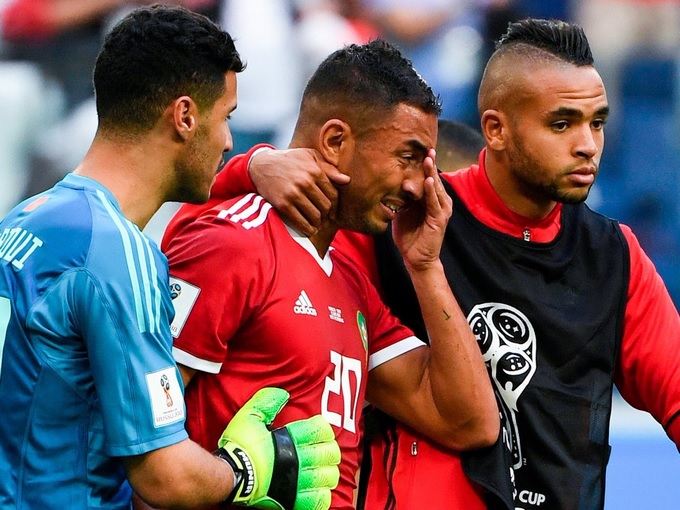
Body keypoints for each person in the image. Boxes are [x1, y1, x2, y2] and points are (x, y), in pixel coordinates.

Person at [184, 17, 680, 510]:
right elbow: (222, 243)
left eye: (598, 123)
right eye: (562, 123)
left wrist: (252, 165)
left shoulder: (614, 257)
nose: (588, 144)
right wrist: (252, 167)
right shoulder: (402, 216)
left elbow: (474, 421)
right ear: (496, 129)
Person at [0, 5, 341, 510]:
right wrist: (246, 470)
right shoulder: (118, 256)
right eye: (226, 117)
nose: (228, 141)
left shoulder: (26, 217)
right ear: (184, 117)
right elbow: (165, 476)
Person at [160, 39, 499, 510]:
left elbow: (469, 421)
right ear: (336, 141)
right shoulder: (233, 245)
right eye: (407, 156)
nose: (418, 185)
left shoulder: (351, 281)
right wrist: (234, 477)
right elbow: (139, 440)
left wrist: (425, 266)